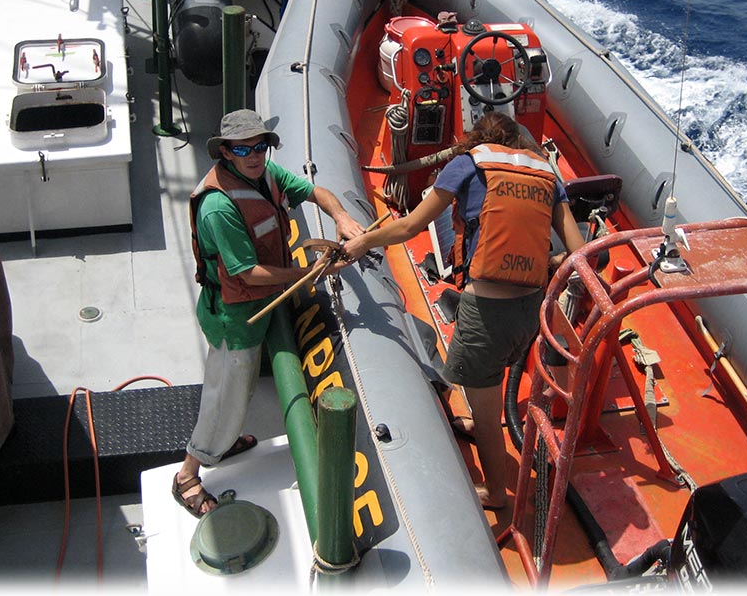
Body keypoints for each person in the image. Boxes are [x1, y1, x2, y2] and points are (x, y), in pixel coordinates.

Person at [343, 112, 584, 510]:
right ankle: (481, 425)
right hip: (530, 311)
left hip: (484, 315)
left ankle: (496, 493)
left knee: (487, 416)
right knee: (498, 379)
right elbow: (576, 252)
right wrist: (550, 262)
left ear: (474, 139)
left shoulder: (466, 164)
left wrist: (362, 243)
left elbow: (409, 228)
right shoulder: (546, 175)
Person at [174, 109, 364, 517]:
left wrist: (342, 216)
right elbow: (248, 272)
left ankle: (223, 443)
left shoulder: (268, 175)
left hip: (261, 304)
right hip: (235, 316)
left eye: (260, 145)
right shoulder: (218, 207)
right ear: (225, 152)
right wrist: (309, 272)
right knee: (225, 396)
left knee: (234, 395)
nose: (254, 155)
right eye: (243, 148)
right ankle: (189, 474)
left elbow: (316, 193)